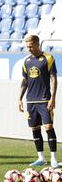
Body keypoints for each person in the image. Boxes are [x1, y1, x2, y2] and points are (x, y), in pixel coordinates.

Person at [18, 35, 59, 168]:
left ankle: (53, 158)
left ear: (37, 44)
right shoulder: (26, 61)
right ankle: (41, 157)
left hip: (44, 99)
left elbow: (53, 78)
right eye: (27, 46)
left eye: (30, 46)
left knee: (48, 127)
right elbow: (24, 81)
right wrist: (19, 98)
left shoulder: (48, 58)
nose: (28, 49)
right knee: (35, 129)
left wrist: (53, 97)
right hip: (30, 101)